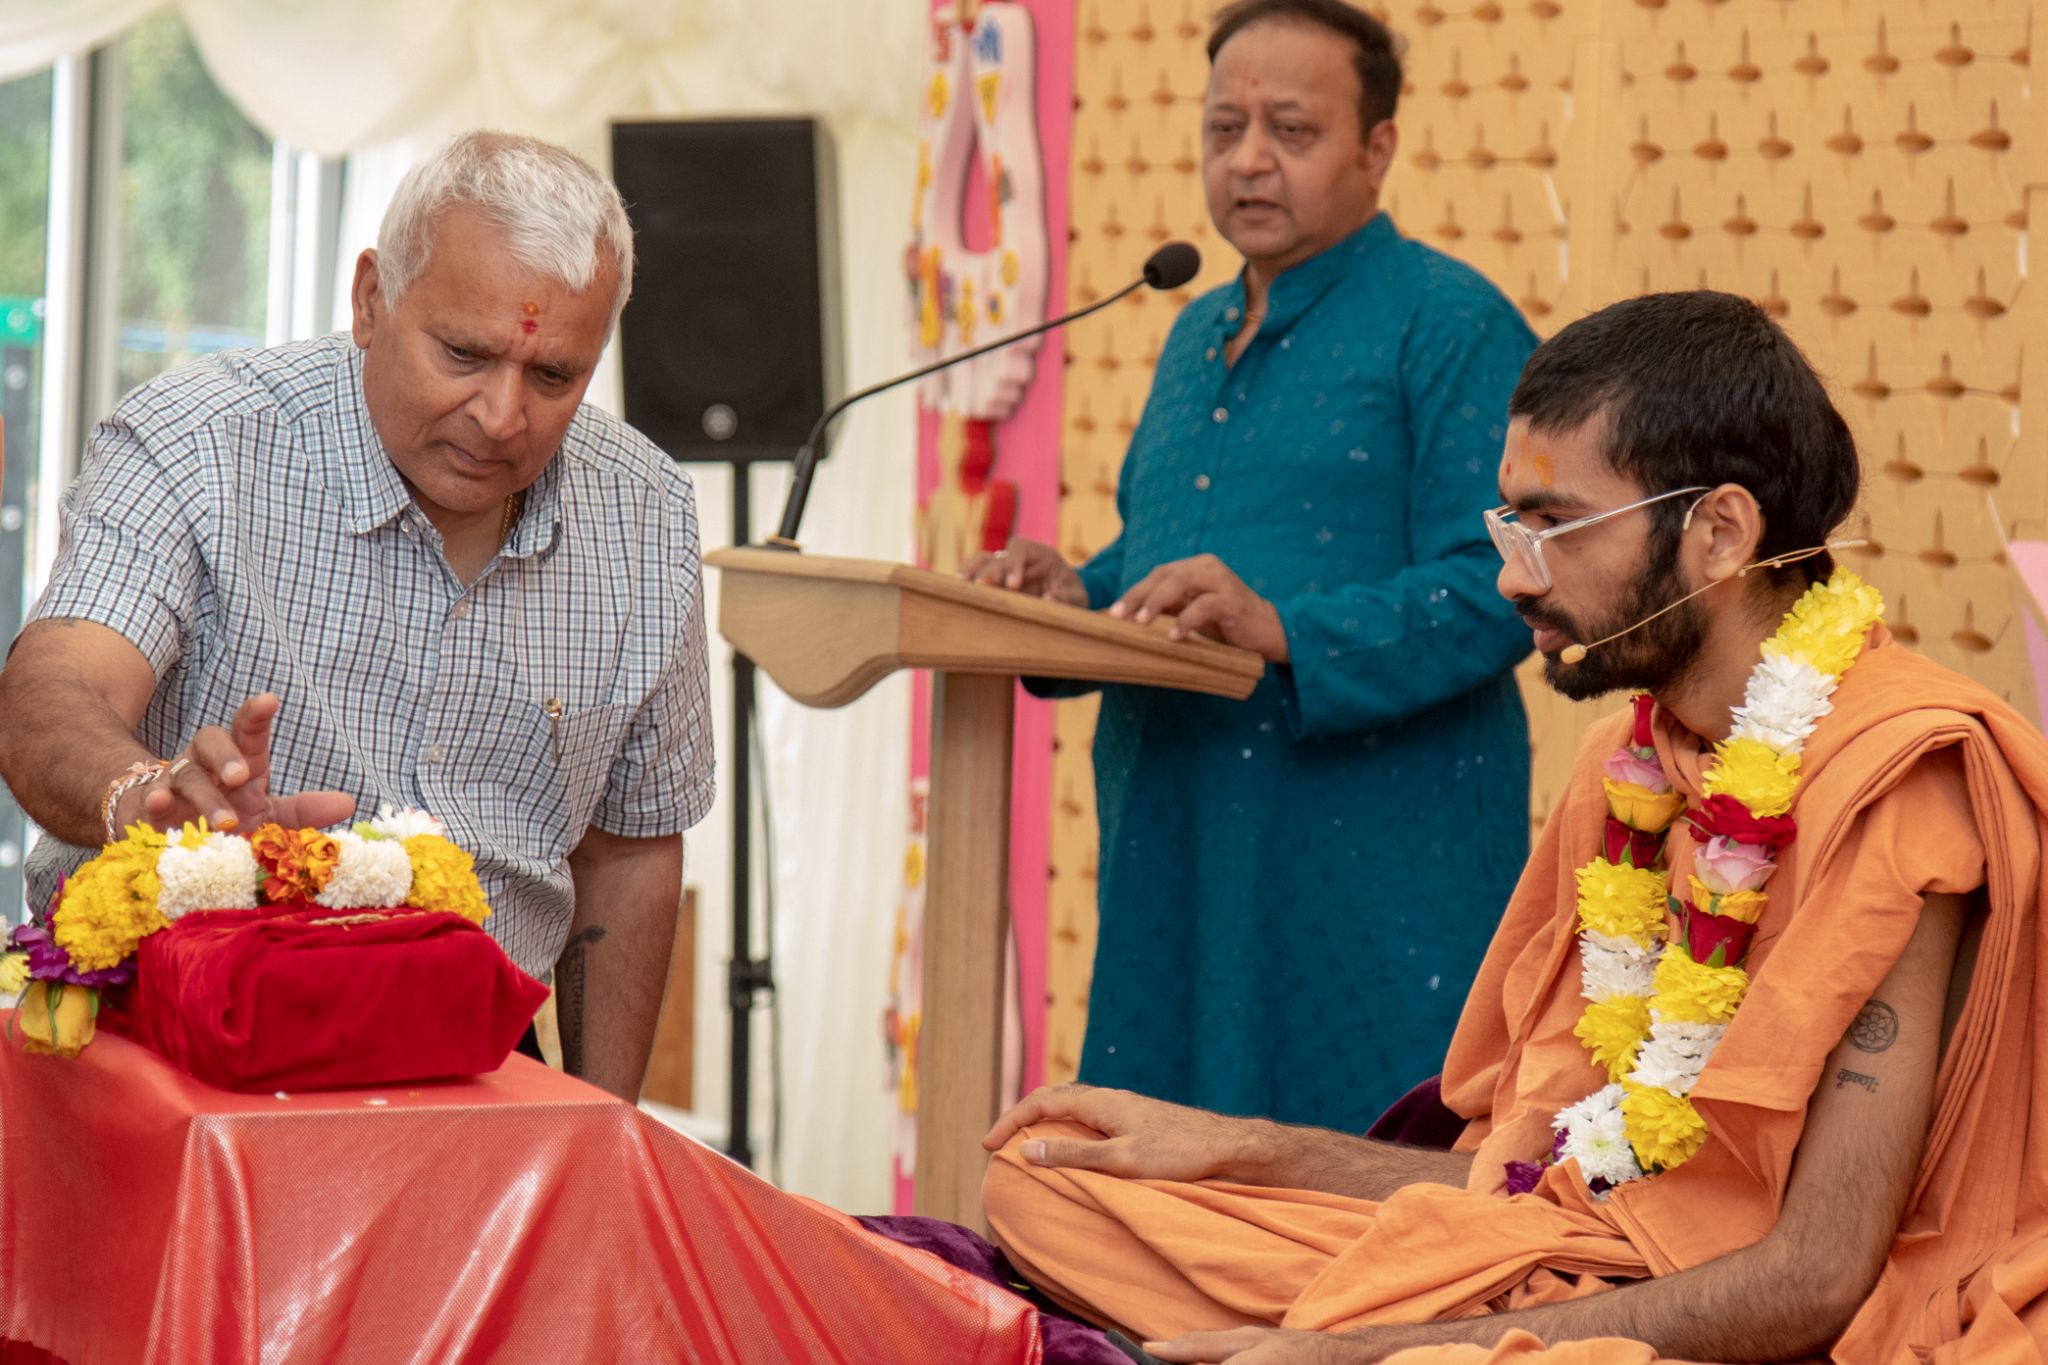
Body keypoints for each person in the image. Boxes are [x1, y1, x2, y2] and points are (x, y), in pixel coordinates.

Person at [976, 291, 2048, 1362]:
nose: (1506, 577)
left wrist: (1364, 1354)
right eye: (1506, 524)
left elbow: (1812, 1278)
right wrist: (1230, 1150)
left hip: (1751, 1317)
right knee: (1049, 1181)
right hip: (1562, 1256)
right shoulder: (1627, 762)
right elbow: (1536, 1177)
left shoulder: (1899, 780)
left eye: (1552, 527)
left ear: (1718, 532)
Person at [0, 131, 714, 1101]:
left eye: (553, 378)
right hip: (171, 1051)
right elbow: (54, 686)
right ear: (371, 300)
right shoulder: (201, 445)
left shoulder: (645, 514)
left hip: (474, 1066)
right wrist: (146, 796)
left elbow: (627, 853)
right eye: (462, 353)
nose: (502, 415)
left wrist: (602, 1136)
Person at [961, 0, 1536, 1134]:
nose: (1247, 161)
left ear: (1377, 146)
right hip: (1176, 832)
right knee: (1157, 1199)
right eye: (1222, 129)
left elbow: (1508, 581)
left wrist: (1288, 629)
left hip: (1365, 864)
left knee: (1350, 1192)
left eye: (1290, 130)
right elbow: (1165, 550)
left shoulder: (1449, 323)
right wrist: (1076, 591)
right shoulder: (1190, 331)